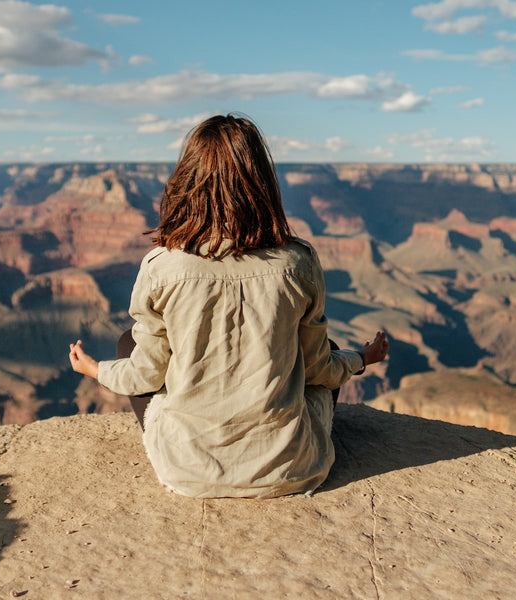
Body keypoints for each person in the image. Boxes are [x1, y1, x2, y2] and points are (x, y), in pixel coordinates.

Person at [68, 113, 388, 499]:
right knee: (330, 350)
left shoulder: (161, 266)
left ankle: (195, 450)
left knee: (127, 346)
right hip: (291, 469)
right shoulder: (297, 262)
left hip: (187, 472)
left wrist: (95, 369)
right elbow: (319, 369)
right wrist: (361, 358)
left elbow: (146, 377)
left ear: (186, 182)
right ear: (262, 182)